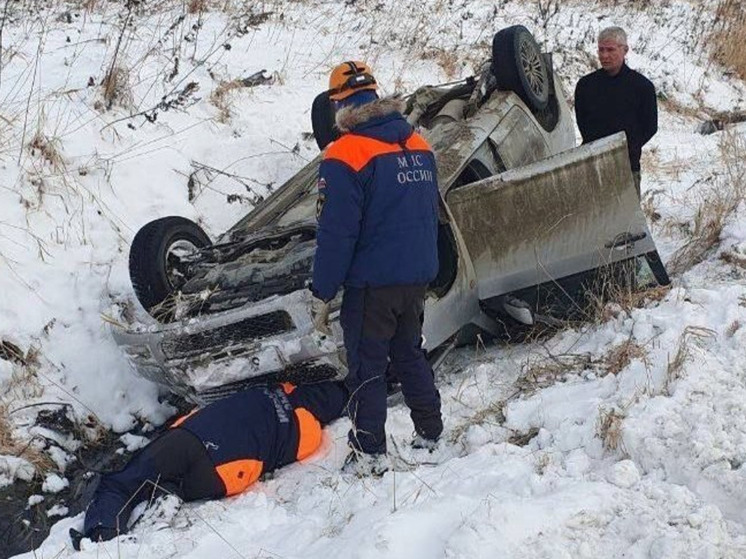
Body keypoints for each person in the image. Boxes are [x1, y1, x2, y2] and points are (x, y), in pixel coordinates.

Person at [310, 61, 443, 476]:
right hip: (416, 275)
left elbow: (337, 232)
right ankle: (431, 433)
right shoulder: (420, 145)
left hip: (372, 282)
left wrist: (323, 290)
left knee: (366, 366)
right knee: (408, 354)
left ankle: (369, 453)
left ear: (339, 104)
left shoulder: (345, 153)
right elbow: (430, 213)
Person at [70, 380, 348, 550]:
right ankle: (168, 492)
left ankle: (102, 536)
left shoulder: (267, 389)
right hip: (219, 473)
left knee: (125, 481)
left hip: (190, 439)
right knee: (176, 484)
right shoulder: (307, 435)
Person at [574, 26, 658, 196]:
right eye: (601, 50)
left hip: (626, 167)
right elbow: (582, 122)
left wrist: (626, 148)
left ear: (625, 50)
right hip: (592, 166)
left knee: (627, 221)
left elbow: (650, 126)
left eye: (611, 50)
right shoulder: (585, 85)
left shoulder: (642, 87)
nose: (604, 56)